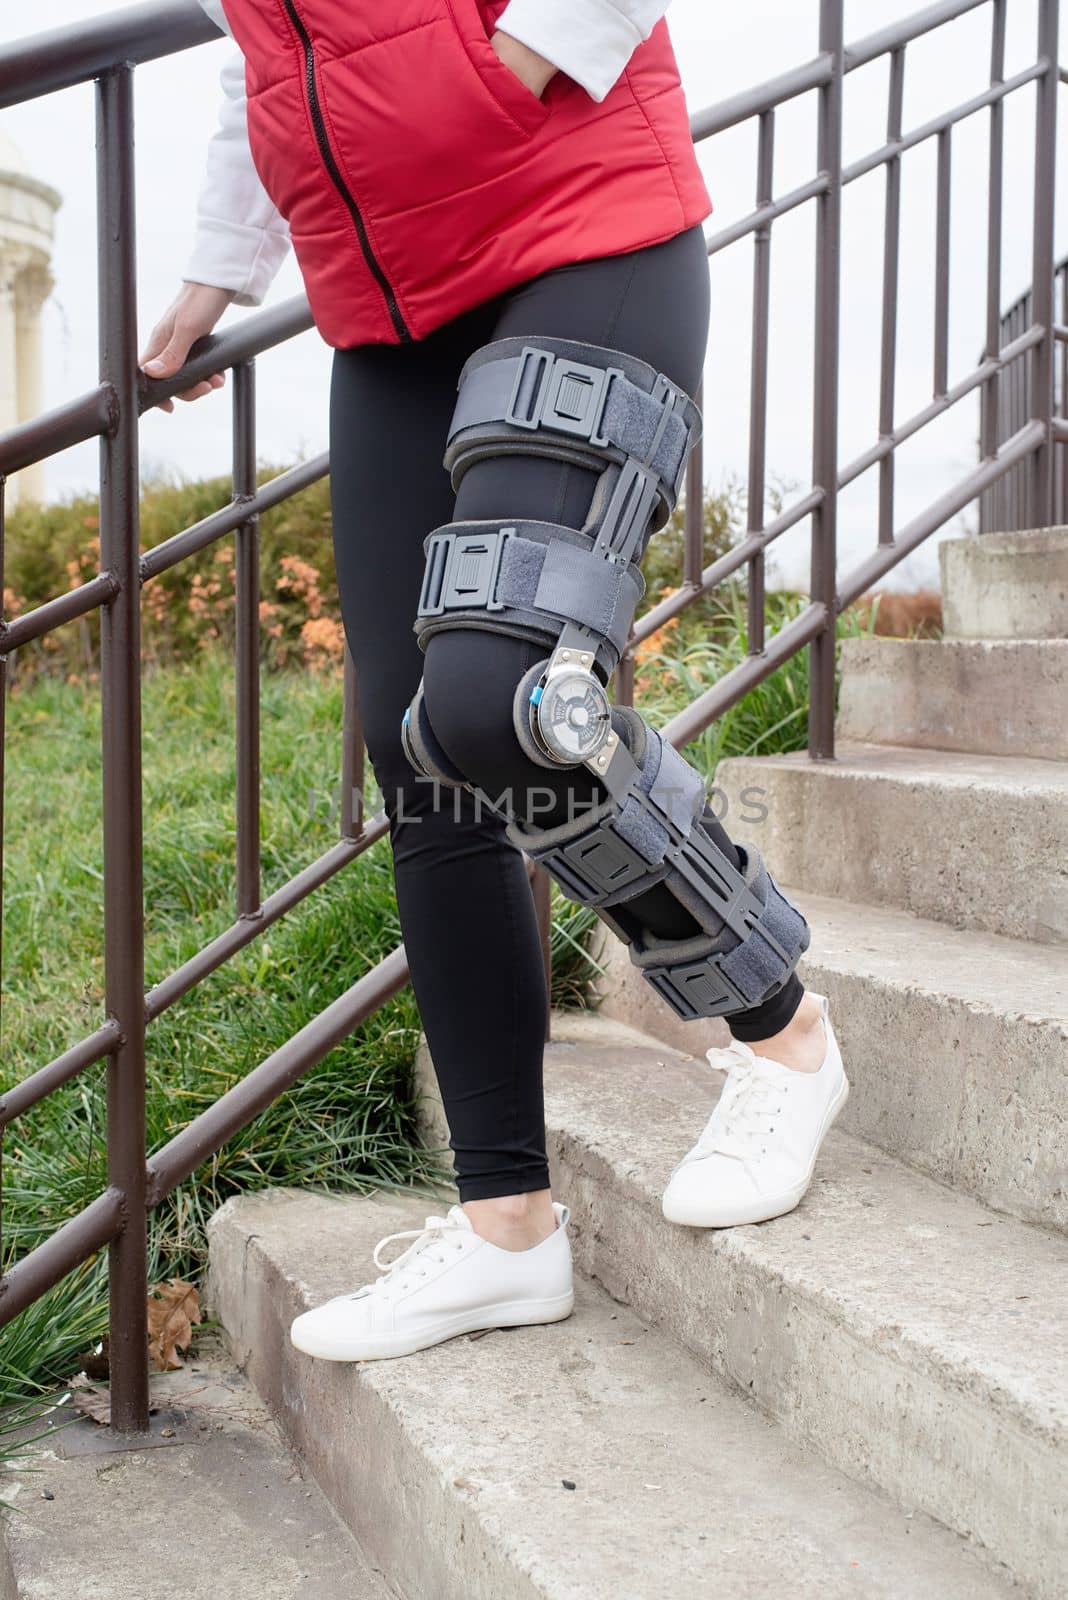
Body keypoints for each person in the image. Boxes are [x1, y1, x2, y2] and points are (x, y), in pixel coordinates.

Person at [142, 0, 849, 1365]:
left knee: (503, 699)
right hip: (384, 299)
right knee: (421, 755)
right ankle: (504, 1228)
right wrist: (214, 273)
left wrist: (524, 54)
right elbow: (270, 58)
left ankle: (781, 1030)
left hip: (574, 216)